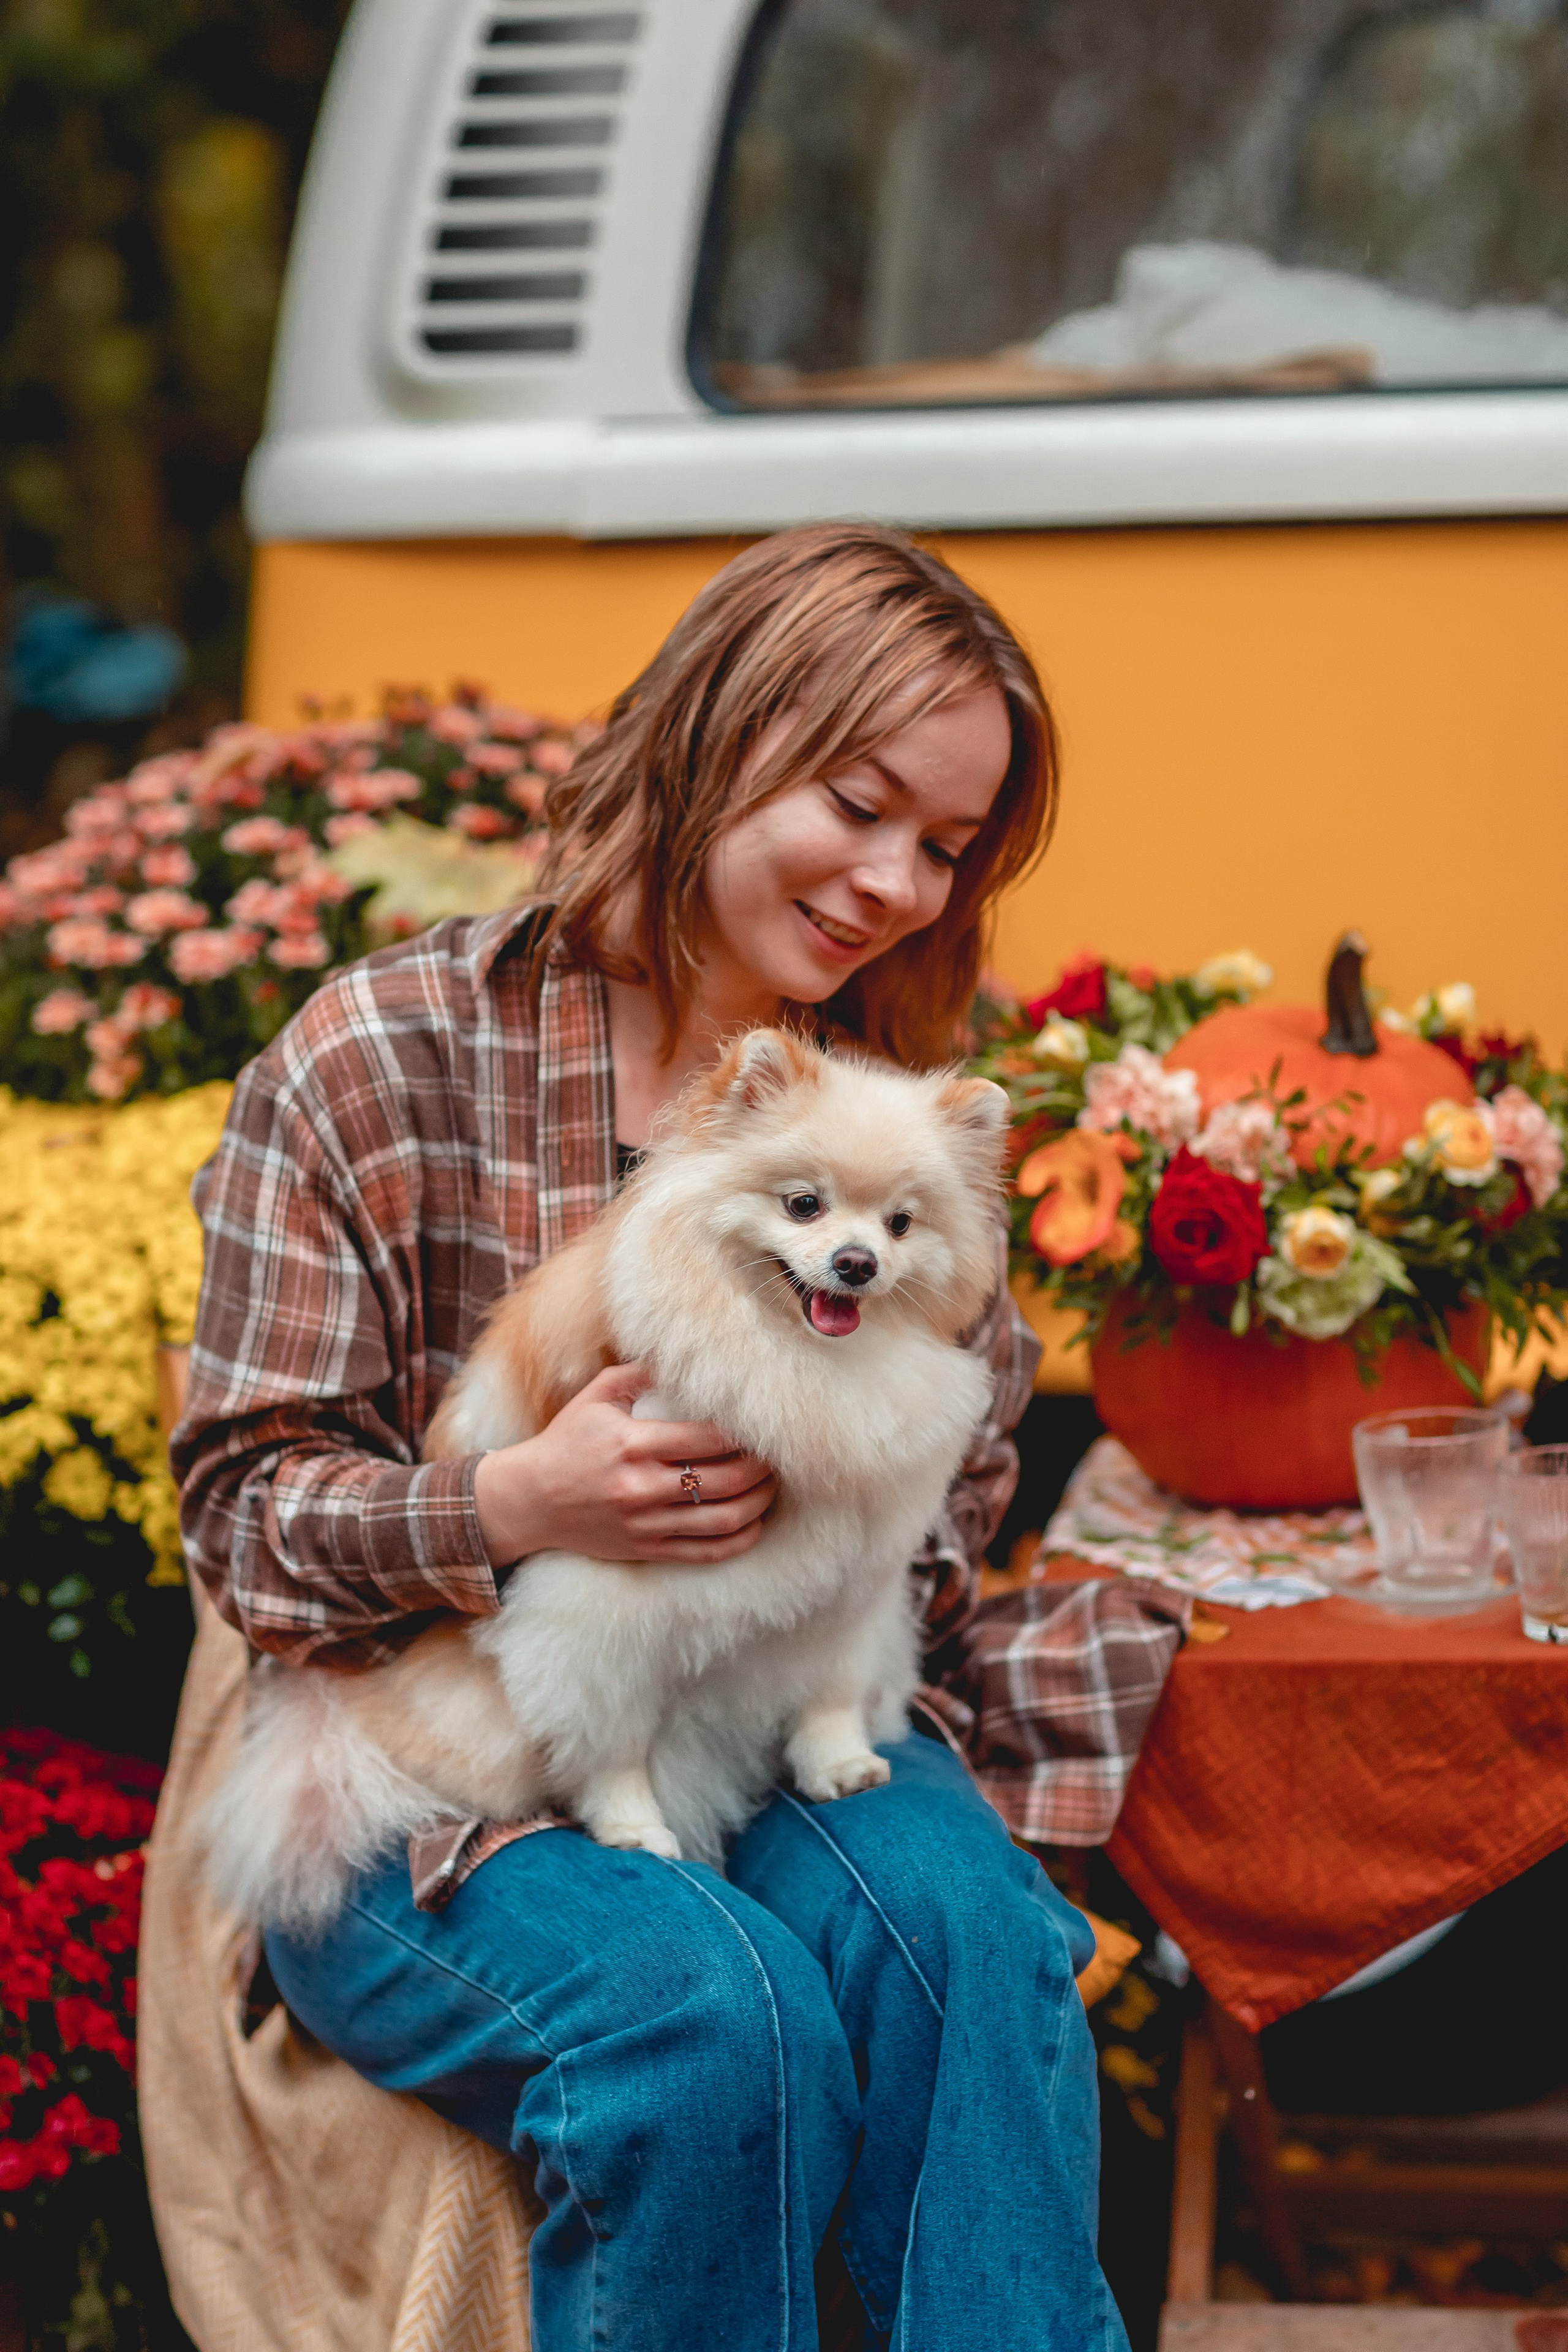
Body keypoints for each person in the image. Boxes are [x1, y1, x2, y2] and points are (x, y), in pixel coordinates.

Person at [173, 524, 1133, 2352]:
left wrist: (834, 1545)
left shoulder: (894, 1111)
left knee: (968, 1941)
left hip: (773, 1718)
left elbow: (958, 1485)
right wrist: (516, 1503)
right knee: (711, 2022)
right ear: (716, 737)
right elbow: (241, 1518)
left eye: (946, 846)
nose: (894, 884)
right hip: (434, 1762)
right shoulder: (383, 1055)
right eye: (858, 804)